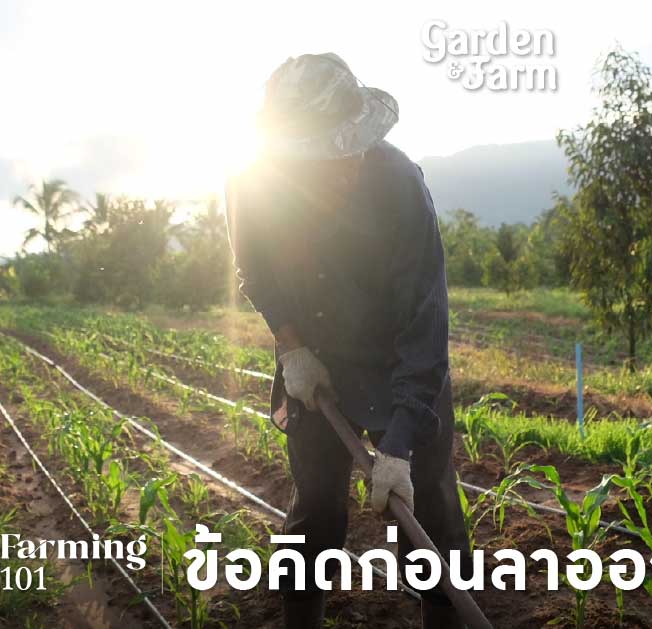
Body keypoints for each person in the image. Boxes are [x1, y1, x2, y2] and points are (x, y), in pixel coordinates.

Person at [225, 53, 469, 629]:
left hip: (398, 359)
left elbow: (426, 324)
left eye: (351, 148)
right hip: (316, 360)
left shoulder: (399, 184)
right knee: (314, 505)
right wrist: (292, 347)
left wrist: (400, 445)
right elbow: (255, 272)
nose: (345, 166)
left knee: (431, 510)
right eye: (324, 158)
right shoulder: (252, 185)